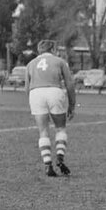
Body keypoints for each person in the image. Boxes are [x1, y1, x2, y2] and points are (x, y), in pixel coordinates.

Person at [25, 39, 76, 177]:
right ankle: (59, 156)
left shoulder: (30, 64)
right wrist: (72, 104)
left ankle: (48, 165)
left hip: (35, 93)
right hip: (54, 91)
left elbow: (26, 87)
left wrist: (33, 102)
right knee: (60, 128)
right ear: (52, 49)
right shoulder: (60, 62)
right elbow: (69, 84)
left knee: (43, 131)